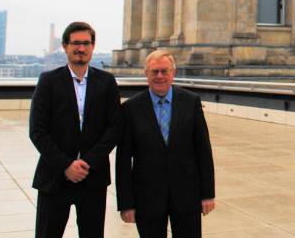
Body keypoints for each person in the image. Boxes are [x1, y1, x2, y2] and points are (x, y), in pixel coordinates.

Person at [29, 21, 121, 238]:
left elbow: (114, 128)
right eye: (76, 43)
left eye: (86, 43)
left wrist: (86, 163)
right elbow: (37, 131)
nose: (81, 48)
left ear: (93, 46)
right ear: (65, 46)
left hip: (93, 177)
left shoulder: (106, 82)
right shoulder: (48, 81)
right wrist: (66, 165)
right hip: (54, 176)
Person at [116, 50, 215, 238]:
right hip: (147, 199)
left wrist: (208, 193)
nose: (159, 76)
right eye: (154, 72)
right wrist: (126, 203)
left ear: (173, 73)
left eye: (164, 71)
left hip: (187, 196)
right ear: (146, 74)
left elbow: (203, 151)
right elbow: (123, 159)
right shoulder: (131, 108)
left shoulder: (191, 102)